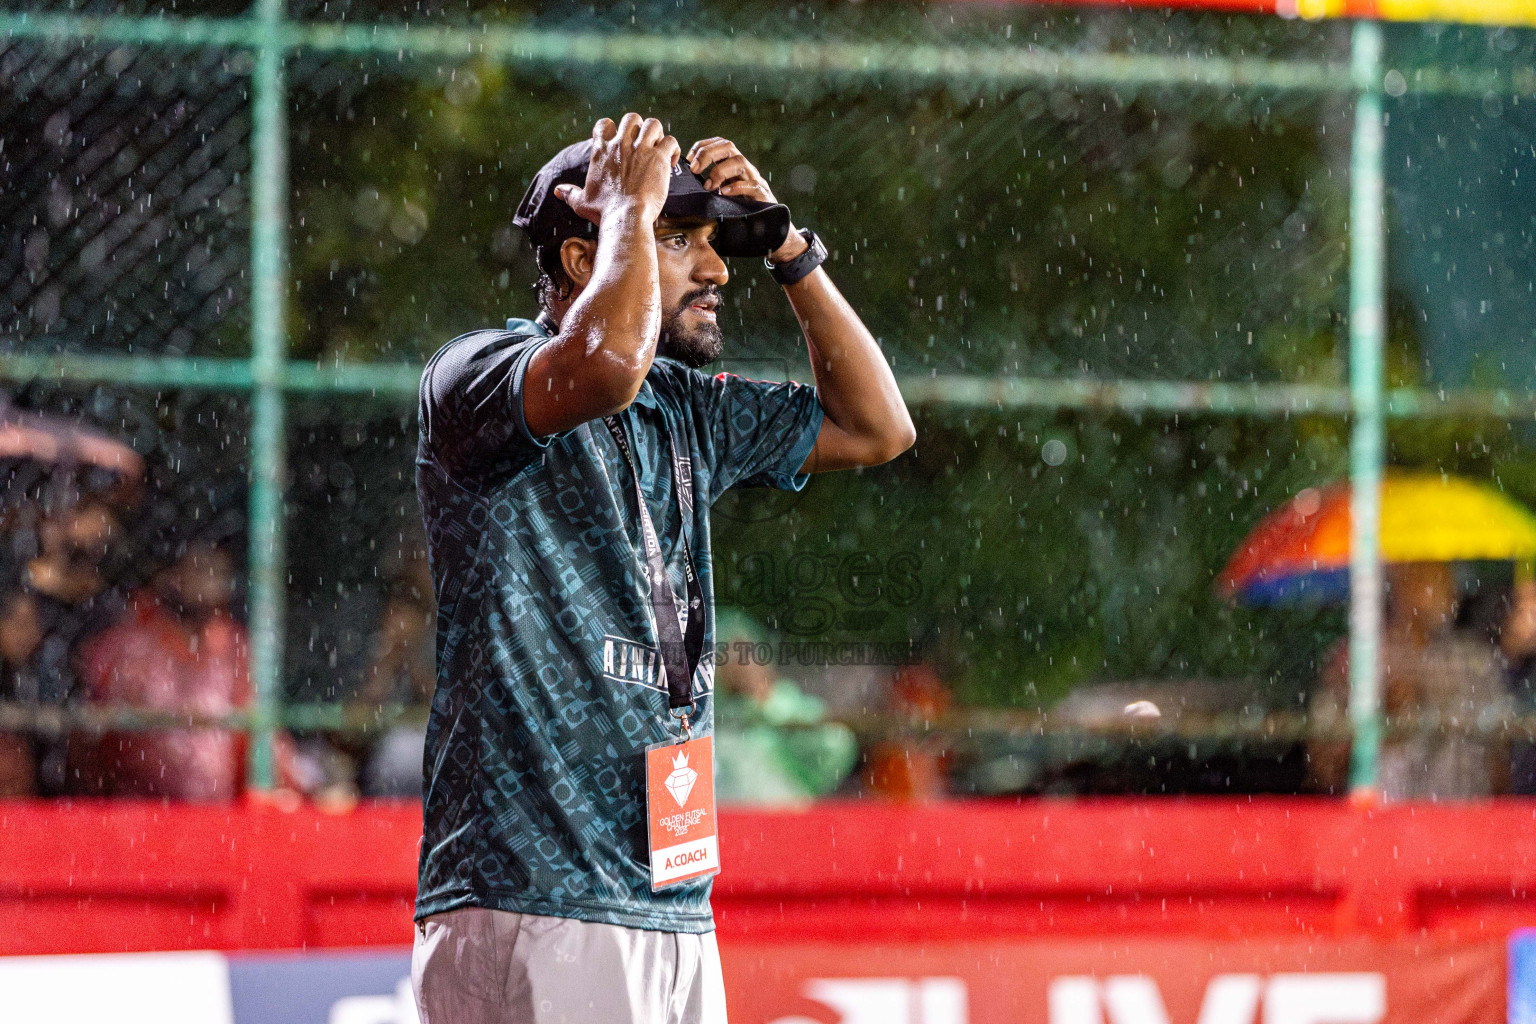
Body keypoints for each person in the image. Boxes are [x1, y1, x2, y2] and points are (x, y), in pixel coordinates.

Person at [411, 115, 914, 1024]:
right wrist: (629, 216)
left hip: (671, 900)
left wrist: (793, 253)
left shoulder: (686, 408)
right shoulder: (476, 375)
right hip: (536, 896)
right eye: (679, 240)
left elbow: (880, 427)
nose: (718, 271)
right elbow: (601, 366)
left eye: (713, 244)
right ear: (578, 261)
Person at [1308, 561, 1508, 800]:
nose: (1448, 589)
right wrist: (1383, 724)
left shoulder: (1473, 660)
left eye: (1447, 577)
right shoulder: (1357, 660)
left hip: (1462, 822)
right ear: (1399, 584)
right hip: (1383, 822)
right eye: (1427, 575)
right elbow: (1323, 769)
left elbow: (1499, 761)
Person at [75, 540, 249, 801]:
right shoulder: (127, 644)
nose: (213, 582)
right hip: (138, 815)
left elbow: (255, 733)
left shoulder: (232, 644)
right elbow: (91, 736)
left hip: (217, 817)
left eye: (220, 573)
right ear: (171, 576)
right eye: (201, 569)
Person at [711, 615, 858, 806]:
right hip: (727, 820)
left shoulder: (789, 704)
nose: (740, 664)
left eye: (745, 654)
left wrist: (769, 705)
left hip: (781, 820)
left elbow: (836, 744)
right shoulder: (712, 716)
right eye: (728, 655)